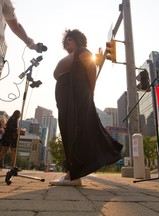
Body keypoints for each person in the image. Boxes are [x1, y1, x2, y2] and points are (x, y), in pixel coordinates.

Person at [50, 29, 123, 186]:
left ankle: (73, 175)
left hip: (76, 97)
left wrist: (90, 93)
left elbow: (91, 70)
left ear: (78, 40)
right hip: (66, 98)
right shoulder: (73, 55)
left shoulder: (83, 52)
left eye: (70, 39)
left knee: (74, 131)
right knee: (68, 131)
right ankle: (72, 172)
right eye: (66, 40)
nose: (67, 41)